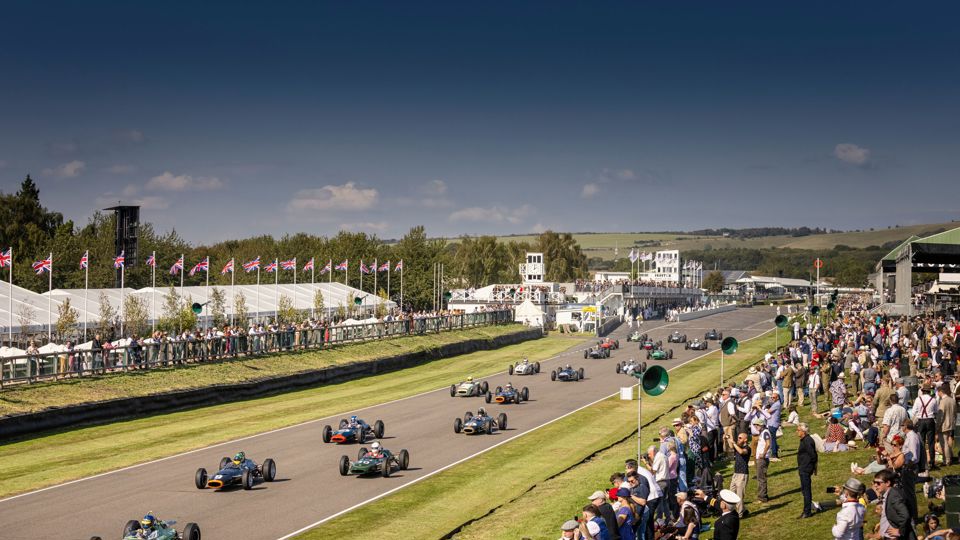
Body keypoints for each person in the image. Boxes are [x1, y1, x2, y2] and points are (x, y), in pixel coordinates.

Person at [872, 469, 916, 540]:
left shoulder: (894, 495)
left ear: (887, 483)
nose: (875, 485)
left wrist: (900, 531)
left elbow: (905, 515)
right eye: (874, 482)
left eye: (878, 483)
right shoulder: (888, 494)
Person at [797, 422, 818, 518]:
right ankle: (807, 509)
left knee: (806, 491)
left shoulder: (807, 441)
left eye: (798, 430)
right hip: (803, 468)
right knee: (804, 490)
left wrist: (813, 466)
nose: (796, 432)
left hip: (805, 468)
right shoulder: (804, 440)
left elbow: (813, 455)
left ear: (803, 431)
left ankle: (807, 512)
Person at [727, 432, 749, 517]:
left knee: (739, 496)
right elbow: (732, 446)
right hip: (735, 474)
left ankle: (740, 514)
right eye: (738, 437)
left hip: (743, 474)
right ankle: (741, 510)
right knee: (731, 493)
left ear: (745, 439)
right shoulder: (738, 446)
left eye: (740, 438)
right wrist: (728, 438)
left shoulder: (747, 448)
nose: (738, 439)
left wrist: (734, 443)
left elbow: (741, 452)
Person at [753, 417, 771, 503]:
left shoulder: (765, 432)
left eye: (757, 425)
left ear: (761, 424)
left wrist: (763, 453)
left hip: (762, 459)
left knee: (761, 478)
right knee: (760, 477)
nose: (756, 426)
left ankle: (762, 497)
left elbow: (768, 444)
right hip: (760, 459)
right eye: (755, 425)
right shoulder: (762, 432)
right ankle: (763, 496)